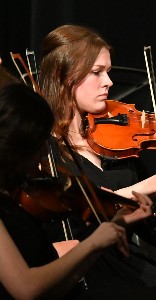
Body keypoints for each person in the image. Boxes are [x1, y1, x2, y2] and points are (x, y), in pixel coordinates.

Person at [37, 24, 156, 300]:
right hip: (85, 278)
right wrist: (136, 191)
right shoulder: (46, 151)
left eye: (108, 71)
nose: (109, 82)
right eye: (96, 72)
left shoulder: (118, 149)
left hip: (133, 269)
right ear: (63, 76)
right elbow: (66, 226)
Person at [0, 82, 133, 299]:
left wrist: (110, 232)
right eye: (40, 142)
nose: (45, 152)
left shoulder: (16, 196)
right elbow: (26, 288)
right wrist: (93, 243)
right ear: (19, 144)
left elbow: (59, 286)